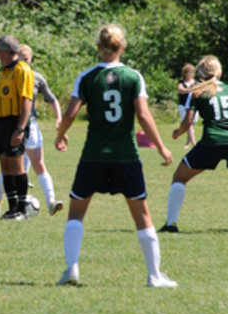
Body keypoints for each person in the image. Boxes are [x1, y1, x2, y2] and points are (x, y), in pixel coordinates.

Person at [54, 24, 177, 288]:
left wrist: (60, 135)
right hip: (126, 156)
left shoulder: (86, 77)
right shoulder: (133, 77)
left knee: (76, 212)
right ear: (122, 47)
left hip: (93, 156)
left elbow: (70, 114)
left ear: (98, 47)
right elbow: (143, 115)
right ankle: (154, 276)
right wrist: (161, 146)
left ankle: (72, 268)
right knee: (142, 215)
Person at [160, 55, 228, 233]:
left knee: (179, 178)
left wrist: (178, 132)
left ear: (200, 73)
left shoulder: (197, 91)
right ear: (219, 71)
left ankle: (171, 224)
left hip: (211, 143)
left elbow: (188, 121)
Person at [0, 44, 64, 217]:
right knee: (12, 166)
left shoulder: (36, 78)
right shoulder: (8, 74)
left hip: (31, 126)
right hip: (12, 125)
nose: (23, 62)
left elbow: (52, 99)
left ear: (31, 59)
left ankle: (51, 201)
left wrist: (58, 117)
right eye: (20, 59)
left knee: (38, 164)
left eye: (26, 59)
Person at [0, 35, 34, 220]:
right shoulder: (5, 71)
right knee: (5, 166)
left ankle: (22, 210)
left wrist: (20, 128)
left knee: (17, 166)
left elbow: (26, 100)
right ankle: (12, 208)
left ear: (4, 51)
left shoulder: (22, 70)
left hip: (15, 122)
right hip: (1, 122)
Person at [177, 63, 198, 148]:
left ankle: (187, 143)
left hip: (193, 106)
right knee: (189, 124)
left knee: (191, 124)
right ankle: (194, 143)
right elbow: (180, 90)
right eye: (187, 72)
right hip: (183, 105)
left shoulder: (196, 82)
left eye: (190, 72)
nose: (188, 74)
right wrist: (190, 90)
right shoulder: (181, 82)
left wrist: (190, 90)